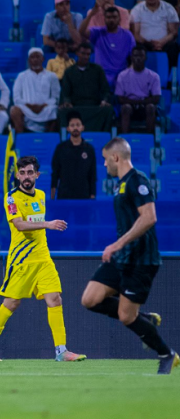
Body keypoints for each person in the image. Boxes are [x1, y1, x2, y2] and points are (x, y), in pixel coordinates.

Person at [81, 137, 179, 375]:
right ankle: (144, 318)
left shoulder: (138, 181)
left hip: (141, 259)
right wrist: (119, 247)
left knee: (126, 317)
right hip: (122, 257)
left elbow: (149, 217)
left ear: (116, 157)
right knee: (89, 299)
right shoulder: (121, 184)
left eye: (105, 160)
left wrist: (117, 243)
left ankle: (167, 354)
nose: (104, 165)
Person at [0, 155, 86, 363]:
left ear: (37, 174)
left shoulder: (42, 195)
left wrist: (46, 225)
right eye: (22, 173)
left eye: (30, 172)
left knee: (55, 299)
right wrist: (48, 224)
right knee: (11, 303)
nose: (26, 177)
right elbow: (19, 225)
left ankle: (61, 351)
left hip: (43, 258)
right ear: (17, 175)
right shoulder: (11, 198)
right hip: (22, 260)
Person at [58, 43, 113, 132]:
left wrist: (104, 100)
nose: (86, 57)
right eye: (83, 53)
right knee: (63, 111)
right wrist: (67, 102)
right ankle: (66, 139)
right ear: (77, 53)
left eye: (88, 54)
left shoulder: (97, 70)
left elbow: (105, 89)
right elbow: (65, 92)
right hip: (75, 106)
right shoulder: (69, 72)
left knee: (108, 110)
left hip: (94, 106)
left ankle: (104, 138)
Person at [81, 6, 137, 87]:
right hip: (101, 77)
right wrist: (91, 14)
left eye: (114, 17)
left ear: (119, 19)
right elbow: (82, 31)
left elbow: (134, 57)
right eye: (109, 17)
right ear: (105, 19)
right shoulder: (97, 33)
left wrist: (129, 72)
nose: (111, 20)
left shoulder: (128, 35)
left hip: (122, 77)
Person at [10, 48, 60, 133]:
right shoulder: (21, 76)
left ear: (43, 59)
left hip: (45, 108)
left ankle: (49, 137)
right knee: (14, 110)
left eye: (38, 57)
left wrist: (42, 106)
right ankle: (20, 138)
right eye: (32, 57)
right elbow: (16, 98)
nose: (35, 59)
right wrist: (30, 106)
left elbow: (56, 97)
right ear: (29, 60)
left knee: (56, 110)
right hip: (27, 109)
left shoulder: (52, 76)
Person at [131, 0, 180, 67]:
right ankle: (140, 75)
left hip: (165, 43)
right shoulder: (137, 9)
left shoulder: (169, 8)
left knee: (174, 47)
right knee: (135, 48)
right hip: (144, 43)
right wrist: (149, 43)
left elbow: (174, 32)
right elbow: (136, 33)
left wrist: (162, 42)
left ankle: (173, 77)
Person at [115, 45, 161, 134]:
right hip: (130, 105)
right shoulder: (122, 75)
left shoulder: (154, 76)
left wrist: (140, 102)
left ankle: (149, 138)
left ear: (145, 57)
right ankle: (125, 137)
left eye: (141, 56)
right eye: (135, 56)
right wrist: (137, 102)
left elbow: (156, 98)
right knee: (125, 108)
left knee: (151, 107)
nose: (138, 58)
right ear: (131, 57)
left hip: (145, 106)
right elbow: (120, 99)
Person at [51, 111, 97, 200]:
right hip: (64, 195)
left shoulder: (89, 149)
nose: (75, 127)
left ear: (83, 127)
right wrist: (52, 197)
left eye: (78, 125)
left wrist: (92, 196)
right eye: (72, 125)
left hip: (84, 196)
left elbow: (92, 175)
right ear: (68, 128)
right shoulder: (60, 148)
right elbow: (55, 174)